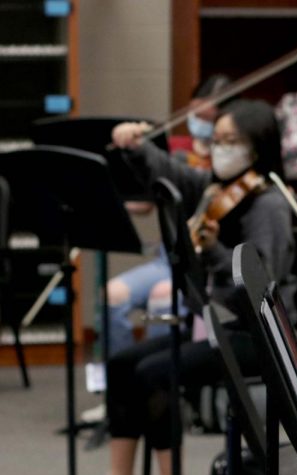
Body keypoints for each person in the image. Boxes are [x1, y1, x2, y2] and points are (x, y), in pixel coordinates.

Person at [60, 98, 295, 475]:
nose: (221, 150)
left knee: (155, 373)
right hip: (215, 323)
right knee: (122, 364)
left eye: (232, 142)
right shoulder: (212, 188)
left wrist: (216, 251)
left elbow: (266, 280)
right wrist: (136, 146)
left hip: (259, 334)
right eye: (218, 140)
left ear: (258, 149)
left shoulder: (269, 206)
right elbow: (172, 173)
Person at [102, 74, 232, 358]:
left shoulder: (224, 167)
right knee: (111, 294)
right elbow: (149, 198)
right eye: (194, 113)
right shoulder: (177, 150)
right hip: (167, 256)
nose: (198, 123)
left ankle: (162, 393)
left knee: (163, 296)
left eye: (207, 118)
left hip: (200, 263)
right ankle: (117, 387)